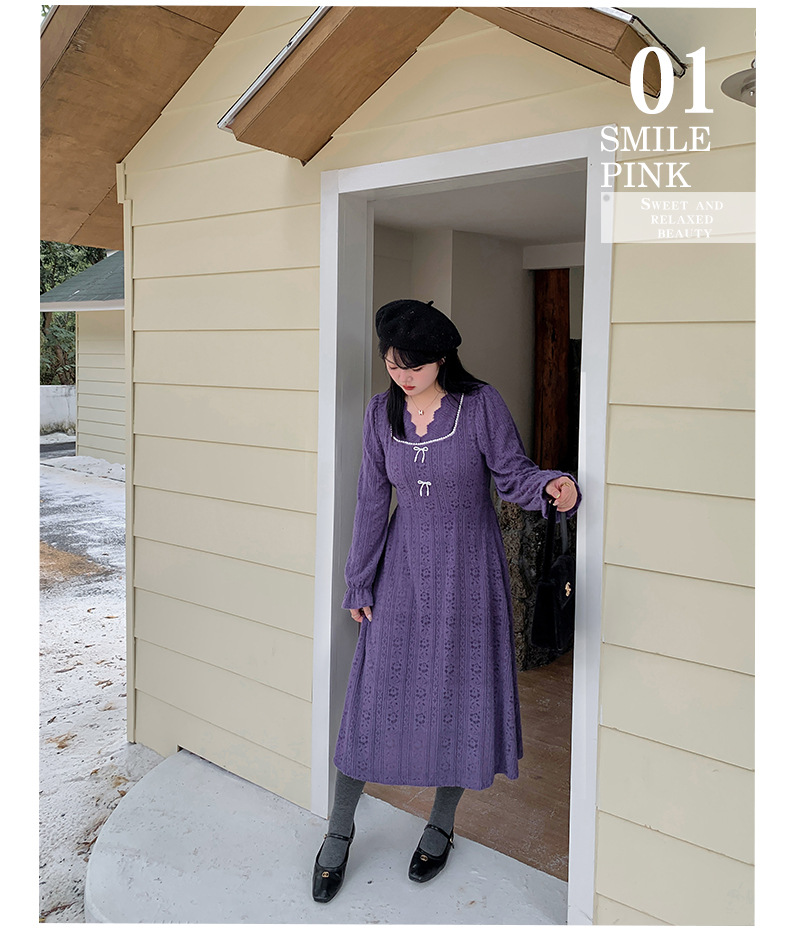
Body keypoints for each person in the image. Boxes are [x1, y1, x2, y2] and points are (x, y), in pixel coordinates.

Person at [312, 298, 581, 903]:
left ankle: (440, 824)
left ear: (441, 359)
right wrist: (359, 579)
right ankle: (339, 829)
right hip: (402, 570)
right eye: (391, 362)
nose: (401, 375)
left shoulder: (480, 405)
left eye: (412, 365)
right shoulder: (380, 412)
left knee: (458, 695)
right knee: (374, 697)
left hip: (468, 572)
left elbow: (512, 474)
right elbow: (371, 499)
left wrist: (553, 485)